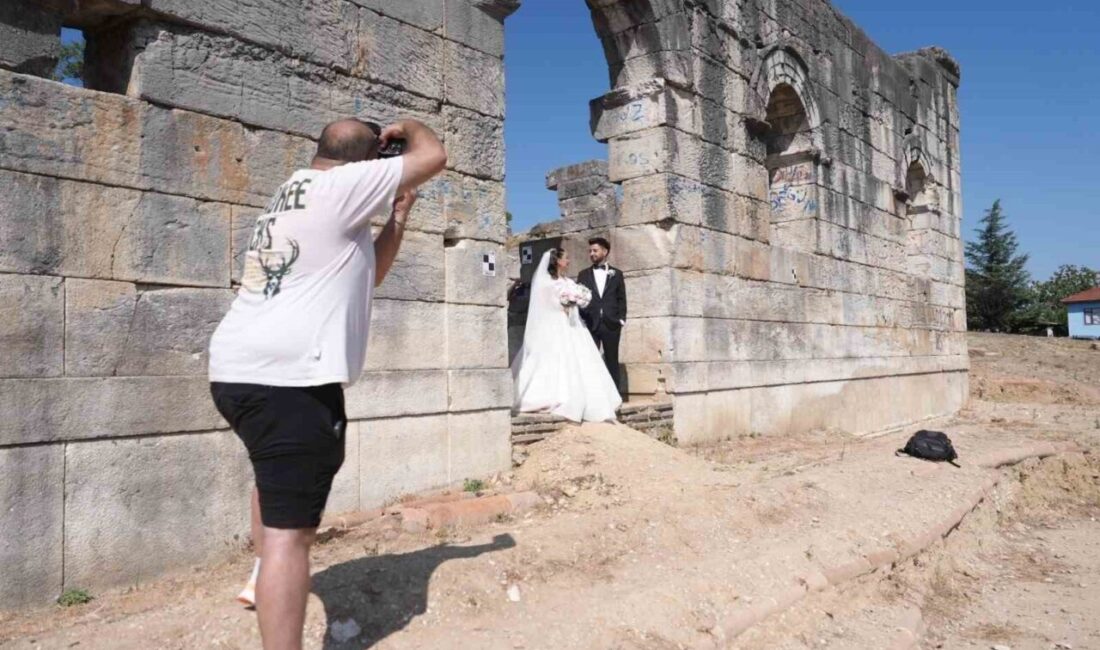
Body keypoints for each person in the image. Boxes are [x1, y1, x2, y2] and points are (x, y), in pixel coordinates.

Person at [207, 117, 446, 650]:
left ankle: (260, 573)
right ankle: (274, 583)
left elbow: (370, 274)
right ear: (368, 163)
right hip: (289, 380)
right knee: (293, 537)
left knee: (274, 481)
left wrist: (397, 219)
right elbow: (434, 156)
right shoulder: (343, 186)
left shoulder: (296, 189)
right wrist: (409, 127)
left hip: (237, 371)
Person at [511, 247, 622, 422]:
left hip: (574, 324)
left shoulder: (567, 280)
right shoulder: (546, 282)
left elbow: (577, 296)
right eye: (566, 258)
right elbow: (543, 305)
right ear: (557, 261)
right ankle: (555, 396)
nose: (569, 261)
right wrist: (565, 303)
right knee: (557, 360)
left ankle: (589, 399)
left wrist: (579, 298)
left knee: (582, 360)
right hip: (555, 325)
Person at [576, 237, 627, 395]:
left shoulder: (616, 274)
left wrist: (621, 319)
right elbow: (579, 297)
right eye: (590, 251)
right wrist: (583, 319)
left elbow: (621, 298)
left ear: (604, 252)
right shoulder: (583, 274)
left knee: (612, 361)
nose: (591, 253)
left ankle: (615, 396)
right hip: (591, 324)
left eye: (595, 250)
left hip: (611, 324)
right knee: (590, 361)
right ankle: (592, 396)